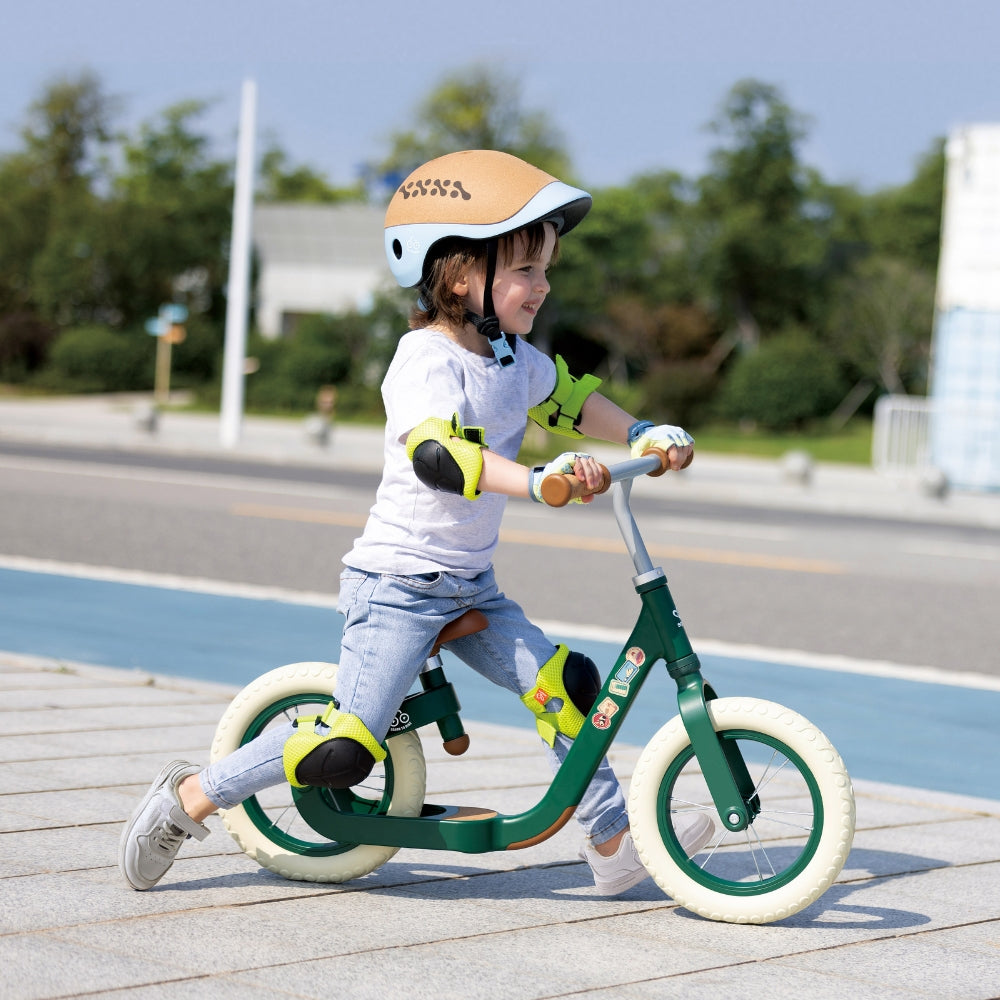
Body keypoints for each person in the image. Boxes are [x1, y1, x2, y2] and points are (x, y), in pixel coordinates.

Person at [118, 150, 713, 896]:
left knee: (567, 688)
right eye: (525, 268)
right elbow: (441, 456)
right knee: (344, 749)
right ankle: (189, 797)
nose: (542, 284)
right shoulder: (424, 360)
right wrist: (537, 480)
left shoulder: (510, 357)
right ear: (460, 276)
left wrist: (640, 432)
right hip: (396, 586)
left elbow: (571, 399)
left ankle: (611, 841)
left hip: (470, 586)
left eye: (546, 268)